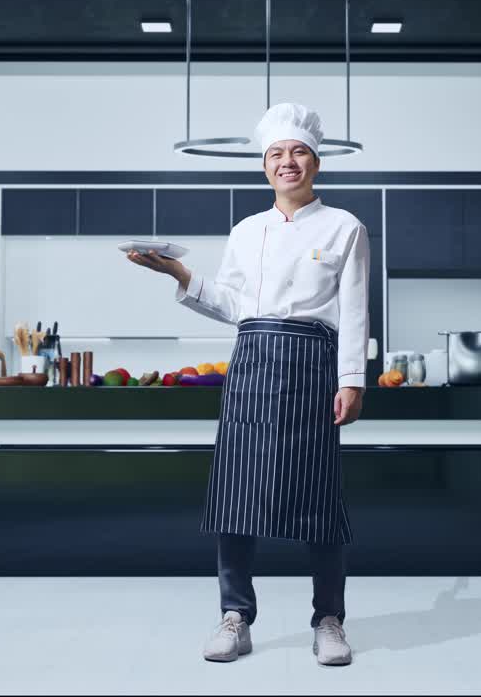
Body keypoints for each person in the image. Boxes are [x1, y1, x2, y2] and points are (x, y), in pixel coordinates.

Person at [127, 102, 369, 667]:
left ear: (317, 161)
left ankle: (329, 620)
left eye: (299, 152)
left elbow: (355, 310)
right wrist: (182, 275)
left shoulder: (345, 227)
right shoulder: (245, 231)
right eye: (277, 154)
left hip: (312, 361)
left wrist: (352, 380)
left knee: (319, 496)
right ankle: (235, 616)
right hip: (253, 360)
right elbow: (234, 305)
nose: (288, 162)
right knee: (236, 493)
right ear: (264, 167)